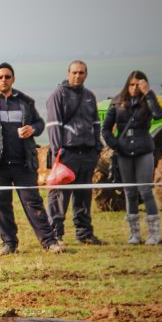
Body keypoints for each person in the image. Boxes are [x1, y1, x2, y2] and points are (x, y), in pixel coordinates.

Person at [0, 62, 64, 256]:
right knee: (1, 207)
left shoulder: (25, 102)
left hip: (23, 163)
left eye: (7, 77)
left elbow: (39, 123)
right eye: (0, 77)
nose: (4, 80)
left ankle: (49, 242)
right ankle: (9, 243)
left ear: (13, 79)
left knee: (33, 203)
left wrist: (32, 129)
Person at [46, 60, 104, 245]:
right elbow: (53, 126)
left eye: (81, 72)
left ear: (86, 74)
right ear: (68, 73)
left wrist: (97, 148)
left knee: (84, 195)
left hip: (87, 153)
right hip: (66, 154)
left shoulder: (89, 96)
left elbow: (96, 123)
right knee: (59, 196)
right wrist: (58, 153)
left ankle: (84, 234)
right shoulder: (58, 95)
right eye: (74, 72)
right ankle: (55, 235)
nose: (77, 76)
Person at [103, 71, 162, 244]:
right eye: (131, 84)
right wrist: (115, 145)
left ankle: (154, 234)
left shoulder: (148, 100)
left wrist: (148, 93)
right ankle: (134, 234)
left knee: (145, 191)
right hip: (124, 152)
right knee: (129, 192)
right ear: (127, 84)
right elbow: (106, 128)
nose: (134, 88)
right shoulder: (117, 102)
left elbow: (159, 114)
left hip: (143, 150)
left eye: (138, 85)